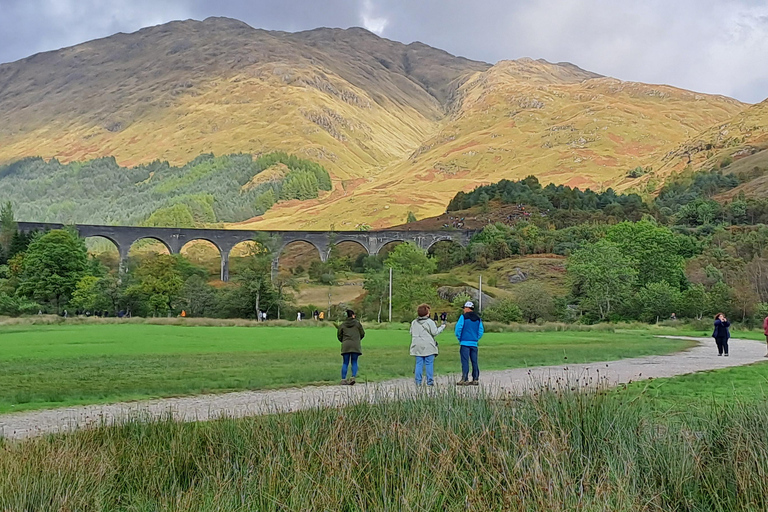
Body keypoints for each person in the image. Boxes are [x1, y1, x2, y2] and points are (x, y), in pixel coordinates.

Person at [410, 304, 445, 386]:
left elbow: (411, 332)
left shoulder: (414, 322)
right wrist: (442, 327)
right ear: (426, 313)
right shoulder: (429, 322)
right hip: (428, 344)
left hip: (417, 344)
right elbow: (435, 332)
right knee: (429, 363)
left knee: (419, 363)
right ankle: (430, 381)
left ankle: (418, 381)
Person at [455, 301, 484, 385]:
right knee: (474, 361)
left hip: (464, 342)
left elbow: (458, 329)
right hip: (474, 343)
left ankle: (465, 378)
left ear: (467, 308)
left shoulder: (463, 317)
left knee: (465, 361)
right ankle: (475, 378)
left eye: (464, 308)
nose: (464, 310)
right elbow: (481, 330)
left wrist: (460, 338)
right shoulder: (478, 318)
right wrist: (476, 338)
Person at [338, 310, 365, 385]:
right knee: (354, 361)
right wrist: (357, 339)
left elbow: (339, 335)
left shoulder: (342, 325)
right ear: (353, 315)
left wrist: (343, 341)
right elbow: (362, 333)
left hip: (346, 345)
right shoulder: (357, 324)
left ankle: (343, 379)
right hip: (355, 345)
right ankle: (353, 377)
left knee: (345, 362)